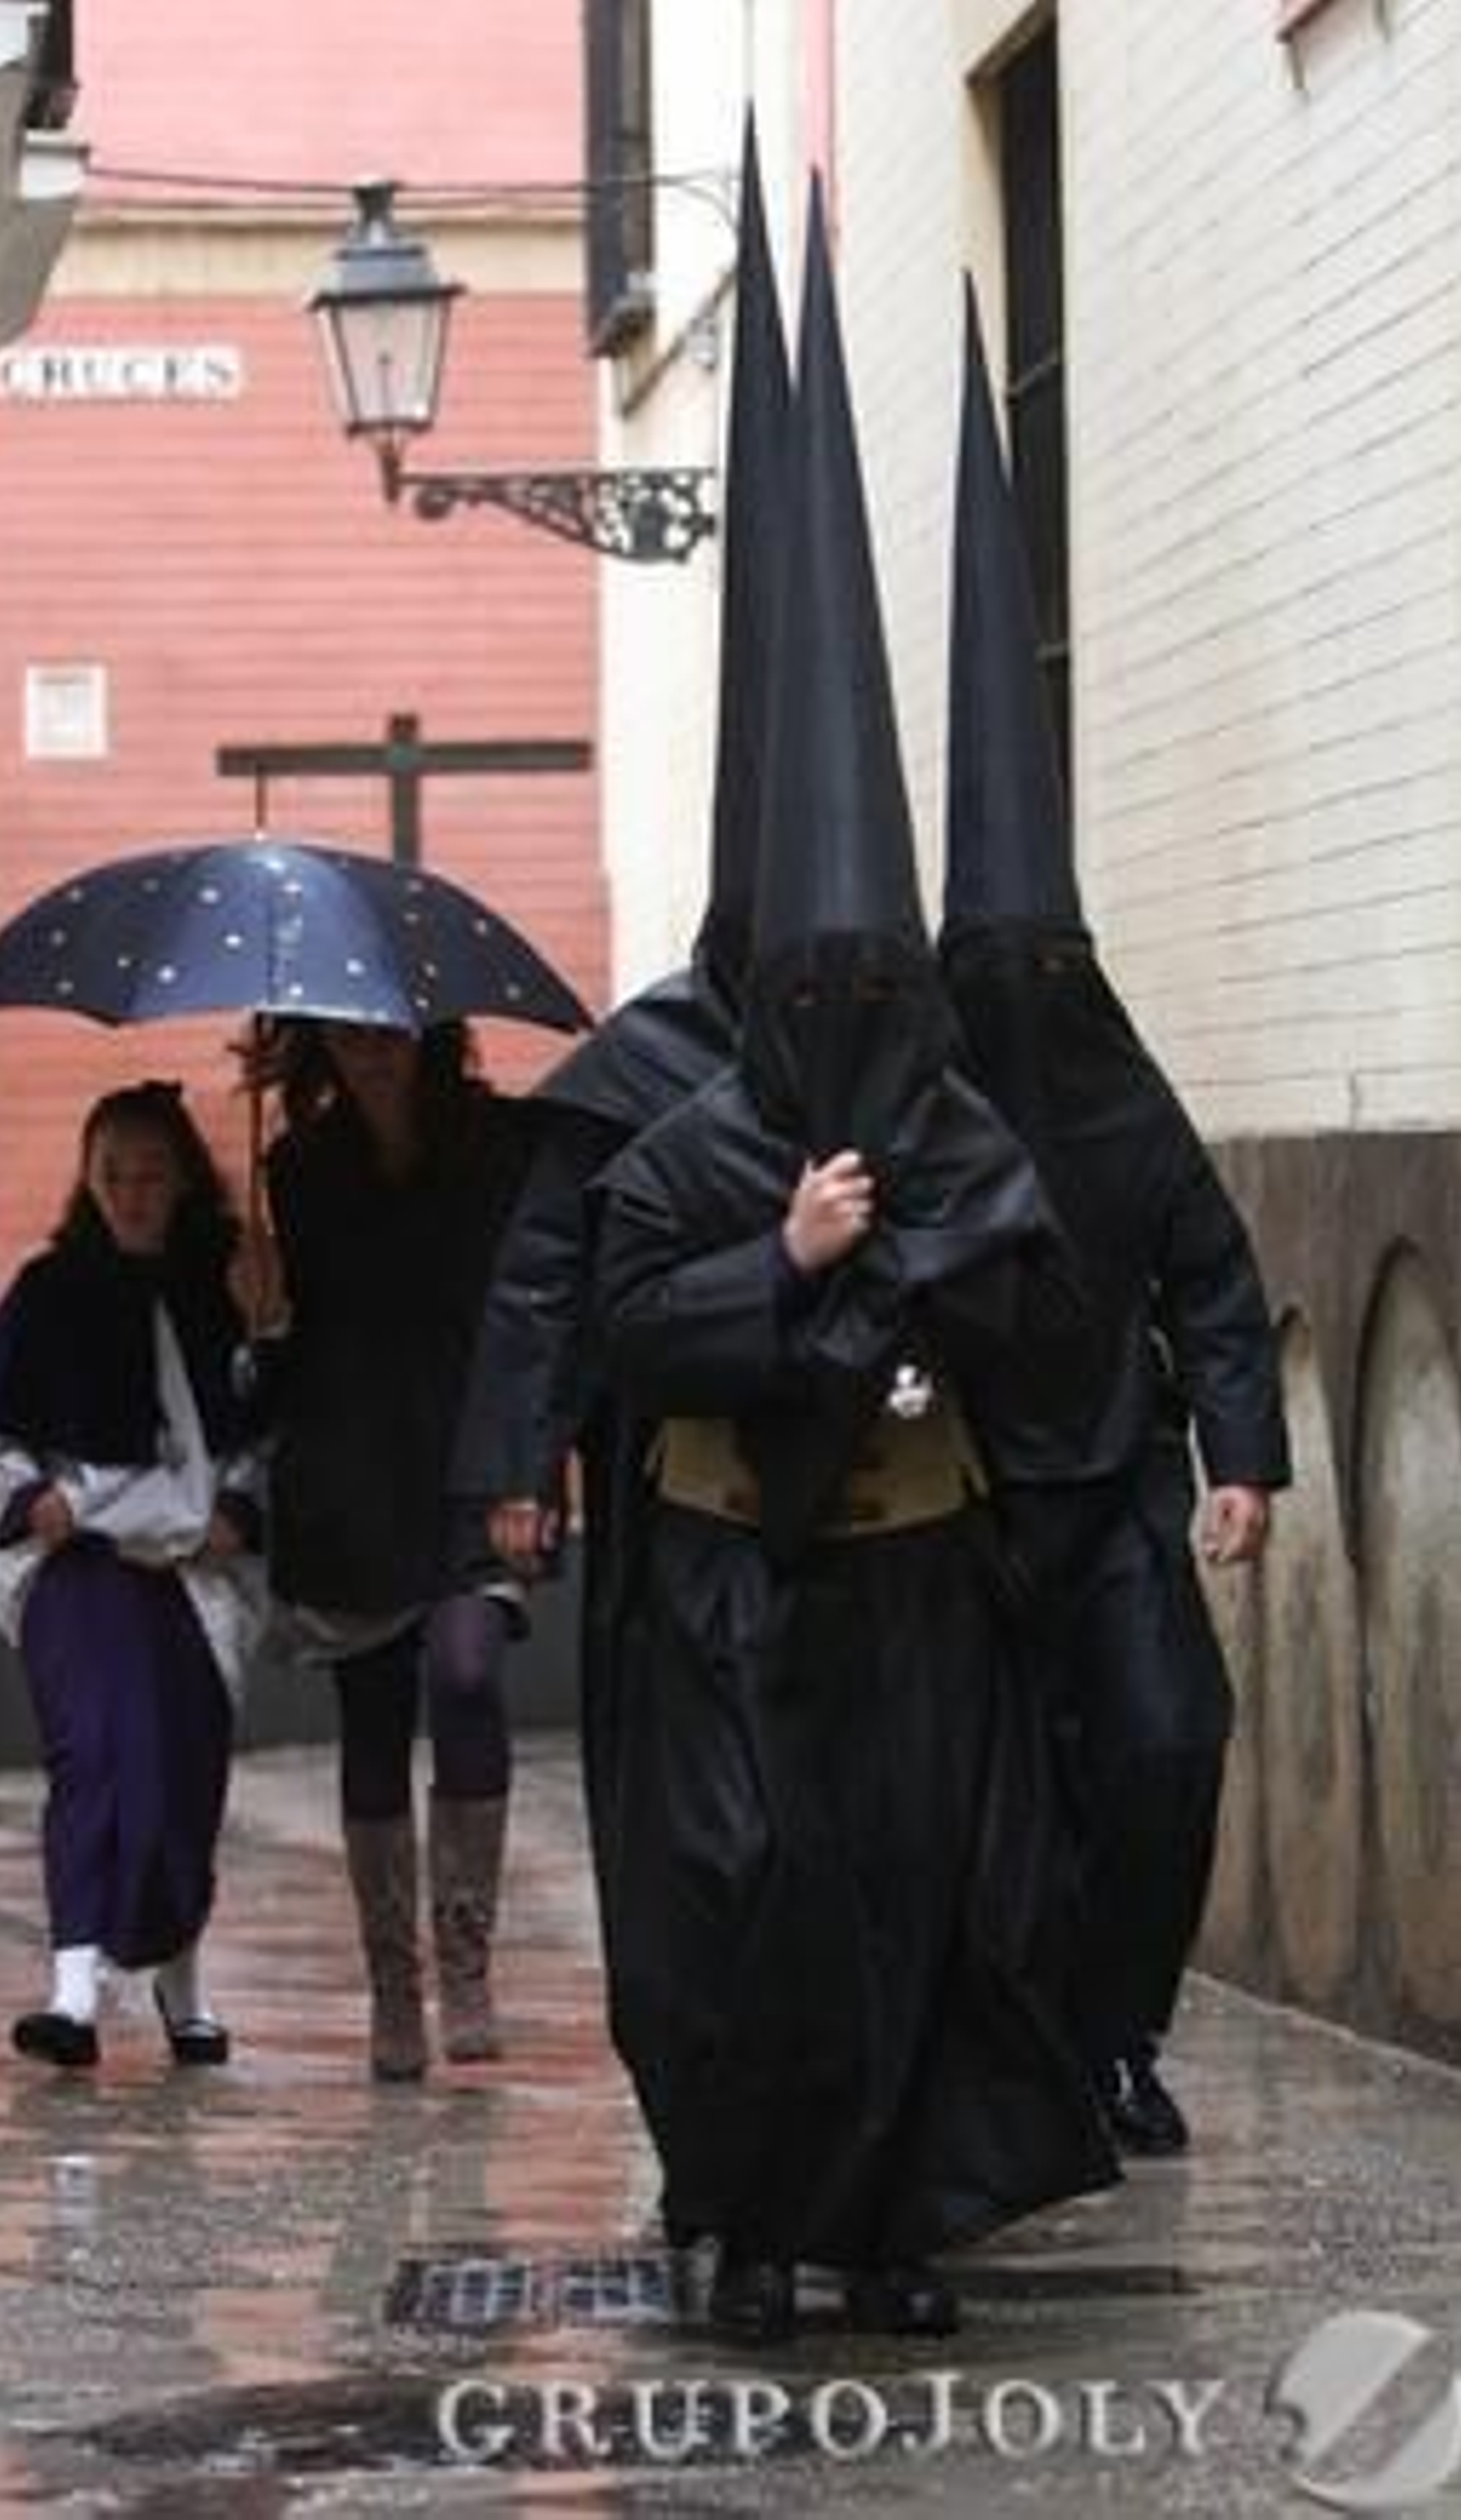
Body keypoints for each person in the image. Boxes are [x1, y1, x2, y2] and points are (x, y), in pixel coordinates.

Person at [590, 191, 1118, 2345]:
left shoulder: (963, 1134)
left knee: (911, 1908)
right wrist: (791, 1261)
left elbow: (1044, 1327)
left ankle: (889, 2225)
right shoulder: (684, 1146)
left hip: (911, 1591)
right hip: (732, 1585)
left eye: (868, 977)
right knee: (741, 1909)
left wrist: (930, 1276)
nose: (843, 1009)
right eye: (810, 980)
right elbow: (636, 1326)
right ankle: (744, 2222)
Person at [454, 115, 789, 2091]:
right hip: (671, 1500)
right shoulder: (636, 1066)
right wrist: (521, 1464)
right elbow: (540, 1275)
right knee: (692, 1814)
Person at [938, 283, 1290, 2154]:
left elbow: (1213, 1273)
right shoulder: (919, 1117)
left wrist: (1241, 1458)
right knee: (993, 1785)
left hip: (1119, 1491)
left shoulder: (1119, 1101)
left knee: (1162, 1737)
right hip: (955, 1504)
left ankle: (1120, 2031)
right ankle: (1012, 2044)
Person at [237, 1016, 531, 2082]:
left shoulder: (495, 1144)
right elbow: (286, 1368)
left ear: (429, 1029)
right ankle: (394, 1986)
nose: (372, 1050)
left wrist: (529, 1467)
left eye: (390, 1031)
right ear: (321, 1043)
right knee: (371, 1718)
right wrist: (261, 1320)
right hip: (349, 1475)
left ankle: (466, 1963)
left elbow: (527, 1311)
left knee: (466, 1675)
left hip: (467, 1461)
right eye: (350, 1035)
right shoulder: (295, 1167)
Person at [0, 1081, 264, 2070]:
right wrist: (27, 1493)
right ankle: (74, 1989)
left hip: (190, 1570)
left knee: (184, 1772)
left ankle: (183, 1982)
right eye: (112, 1174)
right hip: (79, 1563)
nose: (131, 1193)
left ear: (183, 1180)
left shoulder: (227, 1287)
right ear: (88, 1181)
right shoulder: (51, 1288)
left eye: (150, 1174)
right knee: (95, 1751)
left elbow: (263, 1428)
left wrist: (240, 1504)